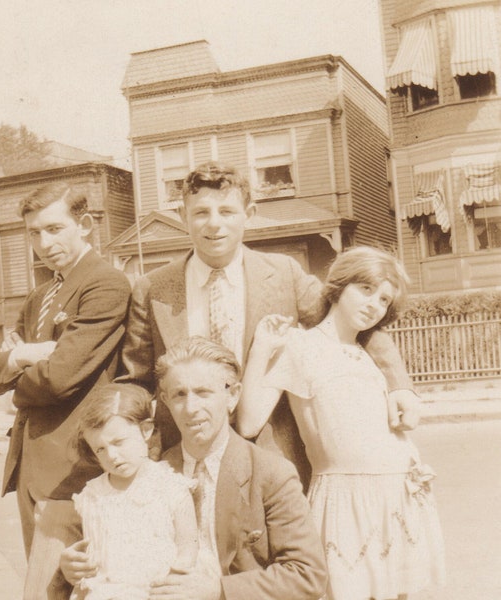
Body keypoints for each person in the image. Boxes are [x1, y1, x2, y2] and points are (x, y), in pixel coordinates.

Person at [120, 161, 419, 487]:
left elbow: (349, 322)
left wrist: (398, 382)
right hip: (183, 456)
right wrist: (126, 429)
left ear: (249, 213)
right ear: (183, 216)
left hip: (272, 456)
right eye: (201, 212)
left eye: (227, 211)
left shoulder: (283, 274)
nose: (214, 224)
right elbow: (135, 378)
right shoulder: (153, 288)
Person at [237, 247, 445, 600]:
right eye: (365, 290)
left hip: (396, 493)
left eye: (382, 300)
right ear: (338, 287)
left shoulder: (367, 354)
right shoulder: (301, 347)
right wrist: (260, 350)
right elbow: (248, 422)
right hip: (345, 497)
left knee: (398, 591)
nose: (373, 305)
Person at [62, 337, 328, 600]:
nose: (191, 409)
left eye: (203, 393)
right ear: (164, 400)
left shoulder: (270, 473)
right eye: (179, 394)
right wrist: (74, 565)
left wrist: (220, 590)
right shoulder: (151, 472)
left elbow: (307, 575)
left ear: (232, 396)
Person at [0, 181, 131, 599]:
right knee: (43, 587)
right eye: (34, 233)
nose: (44, 243)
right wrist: (24, 355)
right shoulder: (40, 296)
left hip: (72, 470)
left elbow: (59, 379)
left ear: (85, 226)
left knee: (70, 589)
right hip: (31, 468)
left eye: (55, 229)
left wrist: (17, 383)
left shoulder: (105, 284)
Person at [69, 383, 198, 600]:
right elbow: (93, 555)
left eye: (119, 442)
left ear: (145, 430)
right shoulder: (94, 495)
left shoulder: (171, 487)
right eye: (100, 449)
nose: (112, 456)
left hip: (158, 591)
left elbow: (188, 545)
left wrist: (175, 581)